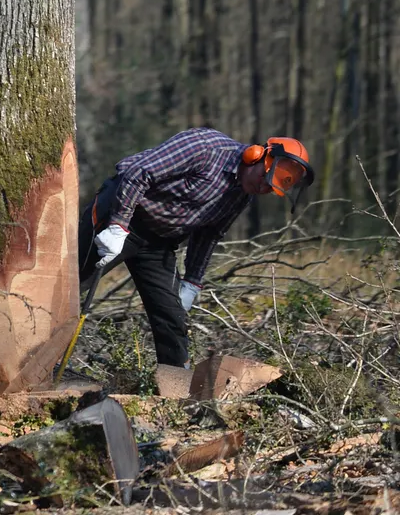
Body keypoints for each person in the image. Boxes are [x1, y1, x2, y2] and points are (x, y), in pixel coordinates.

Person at [79, 130, 314, 368]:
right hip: (121, 214)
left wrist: (192, 281)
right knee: (70, 285)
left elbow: (210, 233)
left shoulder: (242, 195)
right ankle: (42, 359)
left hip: (158, 242)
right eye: (264, 180)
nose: (262, 189)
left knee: (172, 317)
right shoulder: (205, 148)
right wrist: (118, 224)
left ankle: (176, 388)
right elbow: (138, 172)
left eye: (270, 189)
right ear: (256, 156)